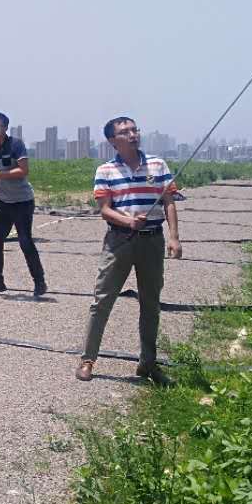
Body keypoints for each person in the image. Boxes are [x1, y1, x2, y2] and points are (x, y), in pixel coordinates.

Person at [76, 116, 181, 386]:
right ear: (113, 141)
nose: (133, 135)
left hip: (152, 241)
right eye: (125, 132)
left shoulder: (157, 165)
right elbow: (105, 210)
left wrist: (174, 238)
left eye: (135, 130)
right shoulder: (106, 171)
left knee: (150, 303)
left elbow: (169, 201)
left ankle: (148, 363)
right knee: (102, 300)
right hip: (118, 241)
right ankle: (88, 360)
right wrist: (128, 221)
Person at [0, 113, 47, 298]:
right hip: (4, 202)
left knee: (25, 241)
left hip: (22, 202)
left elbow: (23, 170)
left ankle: (39, 282)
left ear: (5, 128)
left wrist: (0, 175)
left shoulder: (16, 145)